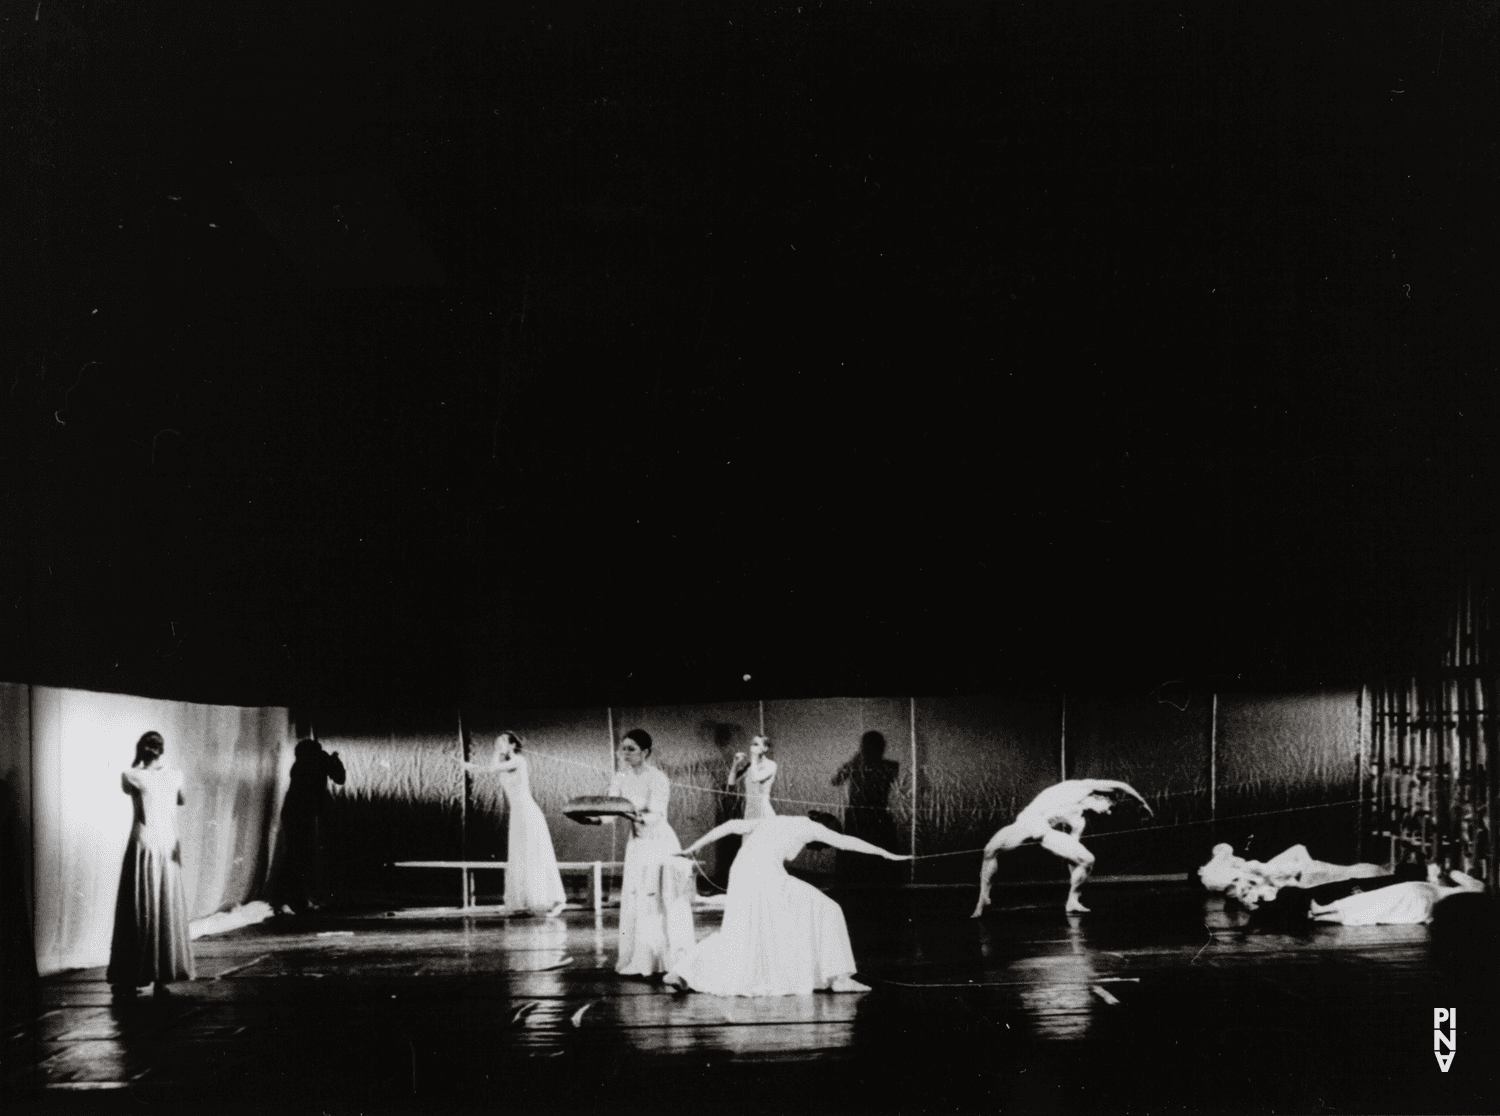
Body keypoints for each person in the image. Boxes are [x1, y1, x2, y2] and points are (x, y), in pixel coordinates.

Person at [664, 814, 911, 996]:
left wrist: (692, 848)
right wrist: (886, 853)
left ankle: (683, 972)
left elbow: (731, 826)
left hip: (741, 873)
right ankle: (840, 977)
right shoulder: (810, 827)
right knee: (829, 909)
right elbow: (846, 842)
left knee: (740, 935)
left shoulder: (774, 819)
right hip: (764, 875)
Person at [583, 729, 695, 976]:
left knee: (656, 899)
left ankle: (665, 961)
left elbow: (657, 814)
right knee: (637, 899)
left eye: (631, 749)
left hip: (658, 843)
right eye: (623, 748)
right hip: (636, 844)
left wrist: (632, 815)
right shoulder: (620, 776)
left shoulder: (657, 778)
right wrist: (594, 820)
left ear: (646, 752)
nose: (625, 753)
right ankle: (641, 959)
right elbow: (611, 810)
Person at [971, 778, 1153, 917]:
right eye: (1109, 806)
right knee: (989, 849)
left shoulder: (1078, 820)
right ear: (1101, 797)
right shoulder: (1081, 788)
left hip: (1044, 832)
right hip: (1028, 821)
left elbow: (1072, 856)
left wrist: (1076, 870)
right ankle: (983, 898)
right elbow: (1121, 785)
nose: (1108, 812)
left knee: (1087, 860)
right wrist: (1142, 804)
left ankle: (1073, 900)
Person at [107, 731, 194, 997]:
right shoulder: (175, 775)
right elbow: (181, 799)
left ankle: (132, 974)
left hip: (144, 842)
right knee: (164, 905)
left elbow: (130, 787)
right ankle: (162, 976)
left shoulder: (132, 775)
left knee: (139, 904)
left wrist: (139, 762)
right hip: (167, 844)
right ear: (162, 749)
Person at [462, 732, 566, 916]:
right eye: (497, 742)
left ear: (512, 745)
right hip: (518, 814)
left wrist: (484, 761)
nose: (498, 745)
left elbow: (491, 769)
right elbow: (488, 769)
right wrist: (469, 766)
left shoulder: (519, 760)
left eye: (502, 742)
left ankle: (552, 899)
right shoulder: (506, 762)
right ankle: (524, 901)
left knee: (535, 854)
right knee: (520, 855)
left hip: (528, 812)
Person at [273, 738, 347, 914]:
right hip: (301, 814)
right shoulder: (316, 760)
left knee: (298, 854)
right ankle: (296, 900)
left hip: (295, 813)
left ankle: (293, 899)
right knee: (302, 855)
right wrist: (335, 762)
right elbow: (339, 778)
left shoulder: (300, 765)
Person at [1309, 864, 1486, 925]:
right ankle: (1320, 918)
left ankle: (1321, 909)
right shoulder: (1476, 909)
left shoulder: (1478, 888)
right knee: (1374, 913)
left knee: (1369, 900)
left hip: (1423, 892)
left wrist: (1452, 872)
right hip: (1423, 912)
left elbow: (1455, 874)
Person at [832, 731, 901, 881]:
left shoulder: (888, 766)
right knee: (867, 857)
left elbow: (836, 781)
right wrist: (853, 763)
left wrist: (854, 762)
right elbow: (836, 781)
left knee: (864, 857)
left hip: (870, 816)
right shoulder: (859, 765)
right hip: (867, 816)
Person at [727, 734, 778, 820]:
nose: (753, 747)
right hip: (749, 813)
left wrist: (754, 757)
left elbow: (755, 778)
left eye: (756, 744)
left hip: (764, 814)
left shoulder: (771, 765)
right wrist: (735, 764)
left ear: (765, 748)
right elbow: (731, 783)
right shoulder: (749, 766)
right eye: (752, 744)